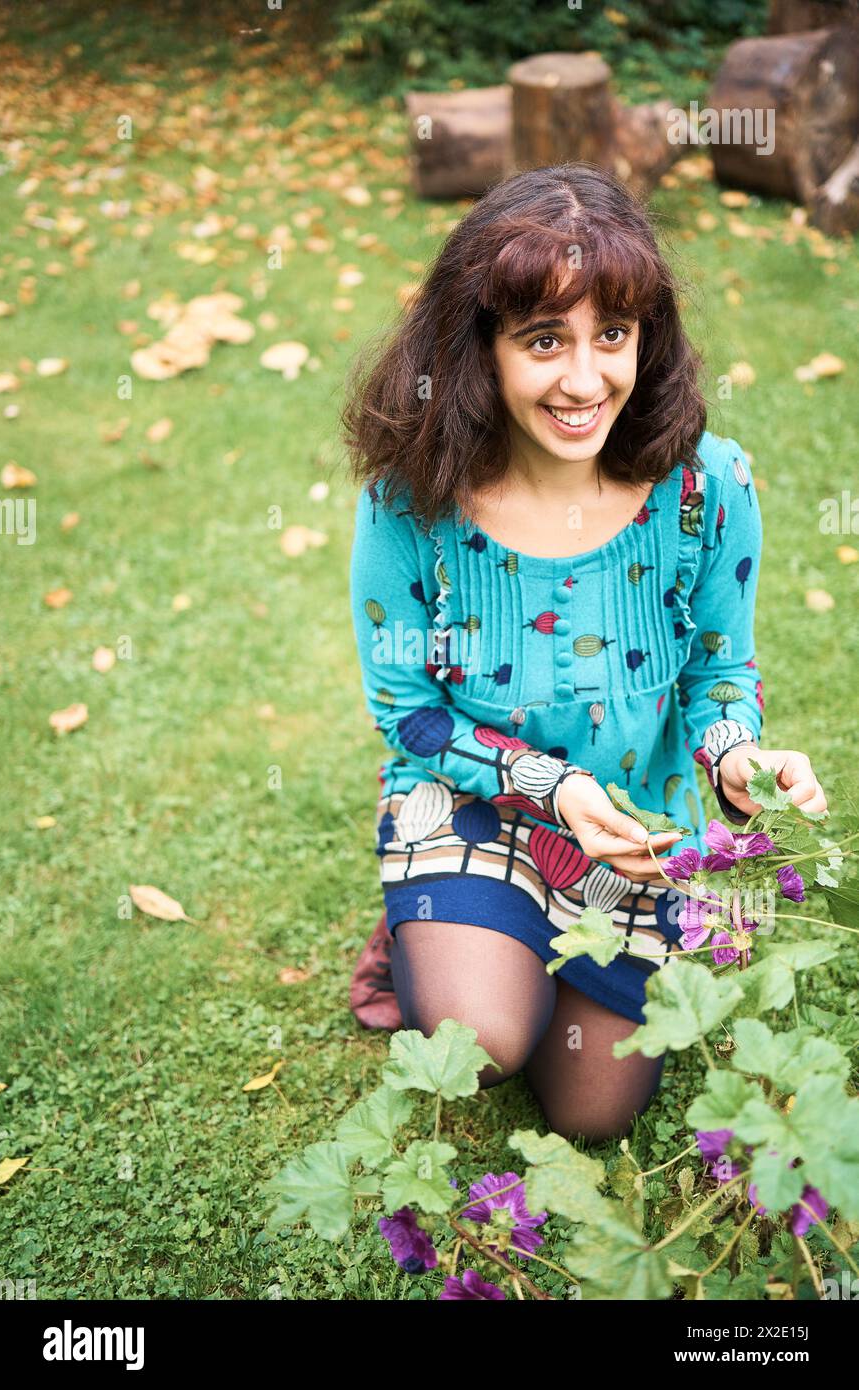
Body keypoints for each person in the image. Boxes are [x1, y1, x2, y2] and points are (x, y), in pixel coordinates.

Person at [343, 162, 827, 1144]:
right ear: (479, 347)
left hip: (641, 826)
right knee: (480, 1041)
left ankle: (504, 946)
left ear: (645, 337)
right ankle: (436, 929)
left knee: (593, 1115)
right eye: (542, 340)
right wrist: (552, 789)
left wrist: (736, 755)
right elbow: (409, 711)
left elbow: (716, 671)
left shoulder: (705, 488)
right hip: (484, 799)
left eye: (611, 333)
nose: (582, 378)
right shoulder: (410, 501)